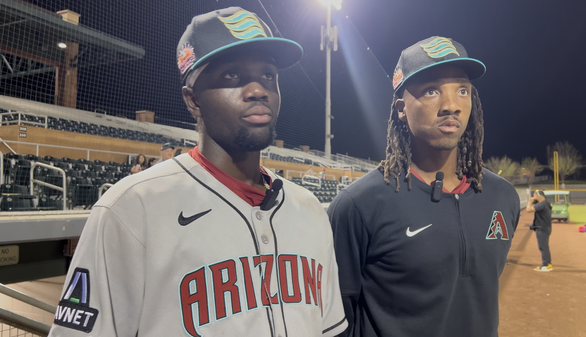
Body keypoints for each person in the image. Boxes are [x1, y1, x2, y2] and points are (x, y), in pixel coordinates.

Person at [49, 7, 346, 337]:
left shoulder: (310, 211)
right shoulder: (130, 210)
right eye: (232, 75)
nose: (258, 90)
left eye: (268, 75)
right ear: (192, 100)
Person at [327, 36, 520, 337]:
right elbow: (336, 320)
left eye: (462, 90)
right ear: (401, 108)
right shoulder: (359, 205)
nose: (451, 105)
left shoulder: (502, 196)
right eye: (431, 90)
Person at [526, 190, 553, 271]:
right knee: (544, 247)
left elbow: (528, 209)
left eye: (535, 196)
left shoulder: (542, 204)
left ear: (538, 196)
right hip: (545, 228)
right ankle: (547, 264)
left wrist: (530, 201)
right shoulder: (546, 204)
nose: (534, 198)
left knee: (543, 247)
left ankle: (546, 264)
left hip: (542, 228)